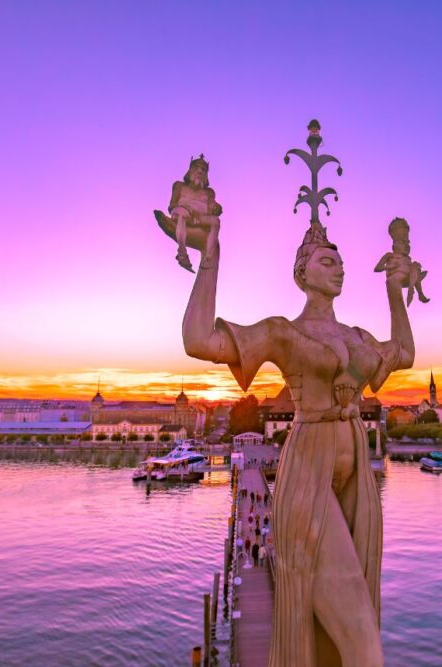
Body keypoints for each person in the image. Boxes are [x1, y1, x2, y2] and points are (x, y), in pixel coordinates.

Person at [180, 212, 414, 666]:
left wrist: (394, 291)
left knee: (357, 623)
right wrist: (210, 255)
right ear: (302, 273)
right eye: (327, 261)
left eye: (341, 262)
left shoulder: (358, 336)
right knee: (364, 642)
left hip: (358, 479)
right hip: (308, 471)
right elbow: (198, 340)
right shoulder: (283, 332)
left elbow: (404, 352)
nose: (339, 268)